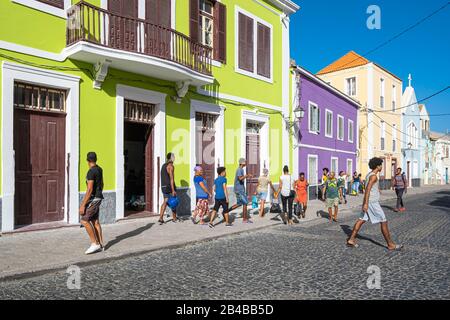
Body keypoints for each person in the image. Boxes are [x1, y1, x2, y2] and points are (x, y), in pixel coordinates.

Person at [346, 157, 403, 251]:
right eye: (381, 165)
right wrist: (366, 204)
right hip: (372, 203)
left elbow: (370, 187)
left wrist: (376, 190)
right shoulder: (373, 176)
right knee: (383, 221)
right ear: (378, 166)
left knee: (361, 220)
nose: (381, 166)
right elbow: (367, 189)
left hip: (369, 202)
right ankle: (390, 244)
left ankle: (351, 240)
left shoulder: (369, 174)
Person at [79, 152, 105, 255]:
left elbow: (89, 189)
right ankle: (101, 245)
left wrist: (83, 205)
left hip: (93, 199)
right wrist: (99, 194)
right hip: (98, 197)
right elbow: (102, 184)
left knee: (84, 221)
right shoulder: (99, 169)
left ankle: (95, 244)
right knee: (95, 221)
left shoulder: (91, 171)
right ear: (96, 159)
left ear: (87, 160)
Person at [228, 158, 253, 223]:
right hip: (239, 190)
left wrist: (246, 176)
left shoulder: (240, 169)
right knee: (245, 203)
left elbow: (241, 178)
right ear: (242, 163)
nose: (246, 163)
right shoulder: (239, 169)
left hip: (239, 189)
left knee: (239, 203)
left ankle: (226, 211)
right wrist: (246, 175)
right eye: (245, 162)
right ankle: (244, 219)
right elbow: (240, 178)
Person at [159, 152, 177, 224]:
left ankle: (161, 218)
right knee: (174, 202)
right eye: (174, 157)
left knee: (165, 201)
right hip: (169, 187)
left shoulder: (163, 165)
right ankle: (174, 218)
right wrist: (173, 190)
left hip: (163, 187)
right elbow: (171, 179)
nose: (174, 158)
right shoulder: (170, 166)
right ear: (171, 158)